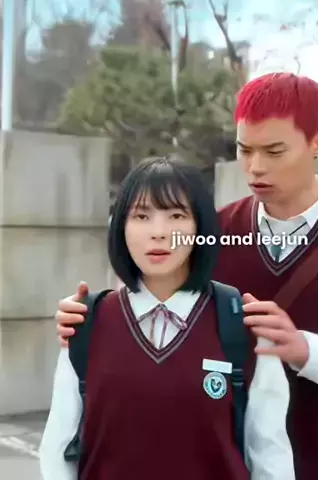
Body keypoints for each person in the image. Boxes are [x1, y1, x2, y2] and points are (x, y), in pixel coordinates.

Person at [53, 73, 318, 479]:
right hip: (218, 464)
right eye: (245, 150)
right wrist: (86, 316)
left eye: (274, 151)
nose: (255, 167)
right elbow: (142, 298)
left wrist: (303, 349)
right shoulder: (214, 229)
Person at [39, 157, 295, 480]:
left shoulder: (243, 328)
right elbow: (57, 450)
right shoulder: (87, 324)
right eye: (141, 216)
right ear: (120, 227)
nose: (159, 233)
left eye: (176, 215)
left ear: (201, 228)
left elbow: (271, 456)